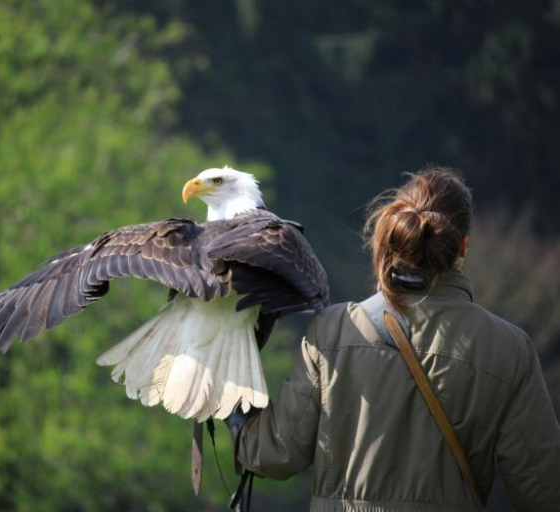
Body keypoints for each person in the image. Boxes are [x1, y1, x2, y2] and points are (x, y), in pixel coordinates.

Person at [227, 168, 560, 511]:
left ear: (396, 235)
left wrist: (229, 401)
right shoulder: (509, 349)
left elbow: (275, 455)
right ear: (463, 246)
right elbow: (543, 492)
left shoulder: (332, 330)